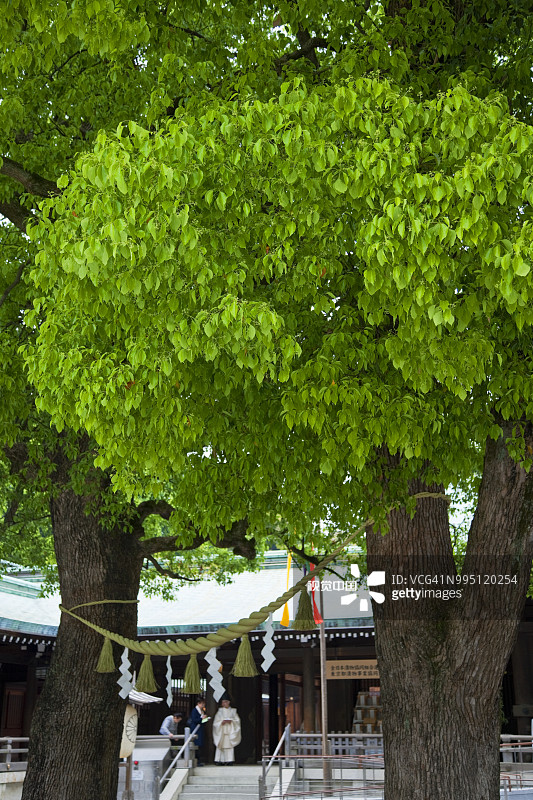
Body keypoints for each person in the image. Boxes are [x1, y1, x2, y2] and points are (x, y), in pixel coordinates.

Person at [212, 697, 241, 766]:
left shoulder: (233, 711)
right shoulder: (219, 711)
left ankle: (229, 760)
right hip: (221, 732)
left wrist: (232, 721)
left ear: (228, 702)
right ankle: (219, 760)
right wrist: (221, 722)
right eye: (222, 702)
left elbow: (237, 721)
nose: (223, 703)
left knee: (229, 746)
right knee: (220, 746)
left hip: (229, 731)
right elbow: (215, 723)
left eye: (225, 702)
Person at [187, 697, 209, 766]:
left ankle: (199, 761)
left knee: (200, 746)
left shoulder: (202, 711)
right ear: (198, 703)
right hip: (195, 729)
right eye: (202, 703)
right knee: (196, 745)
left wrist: (205, 719)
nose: (203, 705)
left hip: (200, 729)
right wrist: (201, 718)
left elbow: (202, 722)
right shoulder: (195, 710)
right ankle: (196, 761)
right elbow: (195, 720)